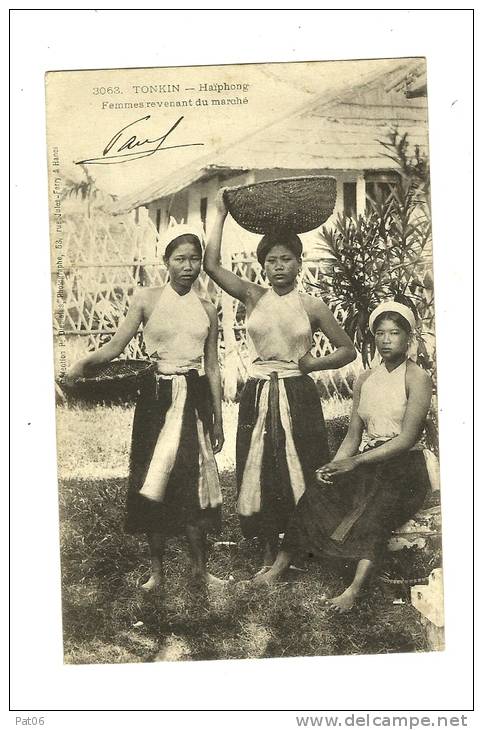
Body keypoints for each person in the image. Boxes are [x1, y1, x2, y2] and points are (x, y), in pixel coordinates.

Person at [65, 226, 225, 592]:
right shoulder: (146, 299)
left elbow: (213, 365)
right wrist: (81, 364)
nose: (188, 267)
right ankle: (157, 572)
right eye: (180, 259)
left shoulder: (207, 308)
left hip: (195, 397)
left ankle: (200, 570)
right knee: (151, 480)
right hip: (156, 397)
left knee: (193, 481)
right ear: (166, 261)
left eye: (195, 259)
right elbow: (115, 347)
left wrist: (217, 418)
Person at [204, 189, 356, 573]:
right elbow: (211, 265)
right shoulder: (253, 296)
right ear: (263, 266)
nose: (278, 267)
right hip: (258, 392)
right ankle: (269, 548)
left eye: (286, 259)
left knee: (302, 465)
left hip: (297, 390)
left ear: (299, 263)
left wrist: (312, 365)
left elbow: (347, 350)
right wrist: (220, 214)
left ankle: (301, 545)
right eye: (271, 261)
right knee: (260, 467)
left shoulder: (311, 305)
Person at [253, 301, 434, 613]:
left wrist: (355, 462)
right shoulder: (365, 378)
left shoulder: (417, 378)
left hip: (405, 467)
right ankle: (277, 569)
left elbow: (406, 439)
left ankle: (353, 590)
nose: (386, 339)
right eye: (380, 333)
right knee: (317, 492)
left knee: (377, 507)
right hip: (368, 459)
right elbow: (353, 434)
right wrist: (335, 465)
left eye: (394, 333)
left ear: (409, 338)